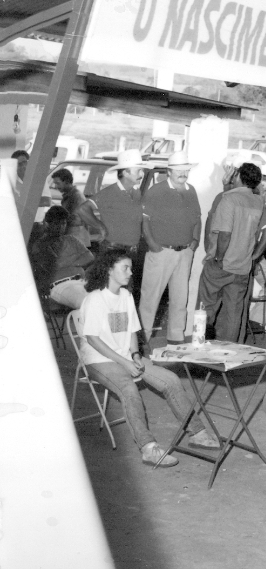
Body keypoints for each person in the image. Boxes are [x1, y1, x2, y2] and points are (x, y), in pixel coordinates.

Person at [79, 249, 219, 467]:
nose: (130, 272)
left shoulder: (125, 296)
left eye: (130, 267)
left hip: (125, 357)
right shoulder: (95, 299)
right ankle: (148, 448)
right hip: (98, 360)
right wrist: (125, 362)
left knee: (170, 380)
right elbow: (93, 339)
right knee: (129, 389)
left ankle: (197, 433)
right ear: (109, 270)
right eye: (124, 268)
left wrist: (134, 354)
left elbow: (133, 331)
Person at [198, 163, 266, 343]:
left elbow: (225, 234)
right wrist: (255, 255)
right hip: (242, 267)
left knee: (205, 307)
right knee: (234, 312)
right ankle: (230, 353)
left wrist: (219, 257)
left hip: (222, 264)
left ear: (239, 177)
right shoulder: (257, 201)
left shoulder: (229, 200)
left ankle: (199, 347)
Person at [139, 151, 202, 344]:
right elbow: (144, 220)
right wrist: (152, 244)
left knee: (180, 299)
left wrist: (195, 241)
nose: (183, 173)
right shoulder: (155, 191)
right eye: (178, 170)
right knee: (150, 298)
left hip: (184, 253)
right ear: (169, 171)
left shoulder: (190, 190)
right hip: (161, 252)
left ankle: (176, 339)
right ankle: (142, 341)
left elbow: (197, 219)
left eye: (185, 169)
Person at [93, 150, 146, 305]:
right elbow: (82, 209)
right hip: (114, 249)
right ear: (126, 172)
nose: (141, 174)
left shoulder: (136, 192)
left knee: (125, 293)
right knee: (113, 291)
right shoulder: (109, 193)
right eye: (138, 170)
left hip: (131, 250)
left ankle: (122, 326)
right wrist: (100, 227)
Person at [29, 206, 93, 309]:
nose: (61, 227)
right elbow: (53, 265)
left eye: (63, 223)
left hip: (82, 281)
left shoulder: (70, 239)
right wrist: (76, 257)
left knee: (109, 298)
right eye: (56, 223)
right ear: (47, 224)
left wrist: (66, 262)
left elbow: (90, 257)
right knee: (90, 304)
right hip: (61, 285)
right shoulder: (41, 245)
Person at [50, 166, 106, 249]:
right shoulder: (70, 195)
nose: (56, 186)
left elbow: (83, 217)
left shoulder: (76, 196)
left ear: (67, 182)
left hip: (77, 237)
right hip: (73, 236)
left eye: (58, 183)